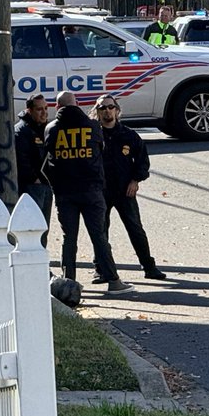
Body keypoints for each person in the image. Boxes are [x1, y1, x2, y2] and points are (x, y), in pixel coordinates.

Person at [44, 90, 133, 295]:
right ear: (76, 104)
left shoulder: (51, 129)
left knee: (69, 238)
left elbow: (47, 160)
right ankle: (113, 281)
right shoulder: (92, 126)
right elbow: (99, 151)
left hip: (65, 193)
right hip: (92, 191)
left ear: (57, 107)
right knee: (99, 236)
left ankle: (68, 283)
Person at [91, 95, 168, 281]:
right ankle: (101, 269)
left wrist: (135, 180)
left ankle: (149, 267)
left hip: (125, 189)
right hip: (100, 191)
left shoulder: (129, 135)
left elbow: (142, 161)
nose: (107, 111)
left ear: (117, 110)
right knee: (100, 231)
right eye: (102, 108)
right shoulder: (92, 135)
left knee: (135, 229)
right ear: (97, 112)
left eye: (110, 107)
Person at [14, 93, 53, 229]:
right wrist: (34, 179)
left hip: (46, 184)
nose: (44, 113)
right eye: (39, 109)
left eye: (46, 108)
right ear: (29, 111)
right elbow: (21, 160)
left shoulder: (46, 128)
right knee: (32, 228)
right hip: (32, 186)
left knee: (44, 228)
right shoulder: (21, 131)